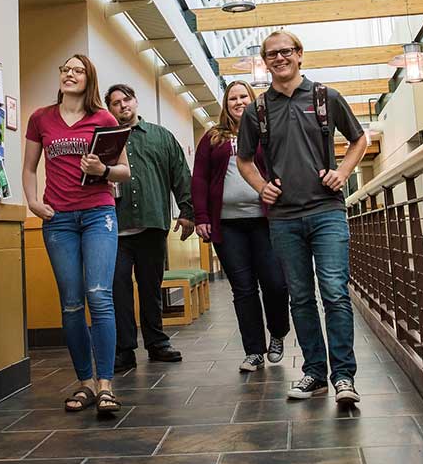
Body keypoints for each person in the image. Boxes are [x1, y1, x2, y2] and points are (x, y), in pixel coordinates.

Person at [236, 30, 368, 404]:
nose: (279, 58)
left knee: (335, 293)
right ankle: (315, 374)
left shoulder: (326, 97)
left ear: (299, 55)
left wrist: (343, 172)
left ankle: (344, 377)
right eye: (271, 54)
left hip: (326, 212)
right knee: (300, 297)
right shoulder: (256, 110)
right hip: (283, 218)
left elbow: (360, 139)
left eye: (285, 51)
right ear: (265, 61)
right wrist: (262, 187)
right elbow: (244, 159)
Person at [22, 54, 131, 416]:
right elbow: (28, 167)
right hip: (59, 219)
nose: (69, 74)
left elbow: (124, 172)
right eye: (65, 69)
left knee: (98, 296)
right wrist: (33, 203)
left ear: (89, 79)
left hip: (99, 213)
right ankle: (84, 382)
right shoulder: (41, 118)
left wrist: (102, 169)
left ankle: (105, 385)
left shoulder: (104, 118)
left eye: (77, 70)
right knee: (70, 303)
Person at [192, 80, 290, 373]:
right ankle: (253, 351)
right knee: (243, 289)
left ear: (252, 99)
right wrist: (201, 216)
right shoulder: (213, 137)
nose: (238, 102)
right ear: (226, 104)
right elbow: (199, 178)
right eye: (232, 98)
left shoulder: (266, 132)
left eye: (243, 96)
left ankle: (278, 332)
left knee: (275, 283)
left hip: (266, 221)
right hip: (228, 225)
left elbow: (281, 167)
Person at [105, 84, 194, 373]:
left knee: (150, 287)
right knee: (118, 288)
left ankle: (157, 343)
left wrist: (187, 211)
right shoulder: (105, 139)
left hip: (152, 224)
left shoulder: (161, 137)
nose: (122, 105)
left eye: (126, 99)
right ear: (110, 108)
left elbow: (181, 174)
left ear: (135, 101)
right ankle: (124, 349)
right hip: (113, 229)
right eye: (115, 102)